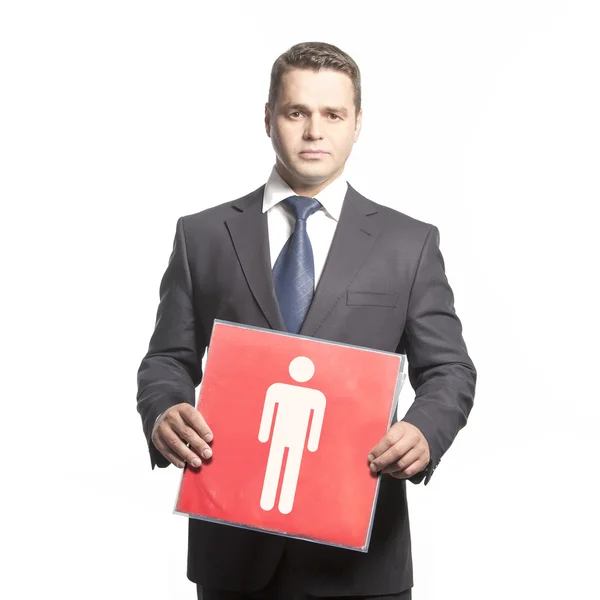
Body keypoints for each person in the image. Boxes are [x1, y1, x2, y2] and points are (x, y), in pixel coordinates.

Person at [136, 41, 477, 600]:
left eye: (332, 114)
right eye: (297, 112)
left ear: (358, 123)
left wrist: (424, 431)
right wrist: (165, 406)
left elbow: (450, 370)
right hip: (233, 549)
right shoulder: (201, 237)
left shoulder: (408, 244)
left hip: (362, 552)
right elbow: (168, 358)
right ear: (268, 119)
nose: (314, 131)